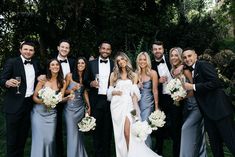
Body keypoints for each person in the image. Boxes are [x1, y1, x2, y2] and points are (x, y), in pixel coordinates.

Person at [183, 48, 235, 157]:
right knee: (215, 146)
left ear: (196, 56)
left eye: (189, 56)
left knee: (231, 142)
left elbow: (215, 82)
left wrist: (193, 86)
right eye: (185, 57)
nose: (187, 59)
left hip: (220, 111)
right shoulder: (191, 70)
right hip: (208, 114)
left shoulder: (202, 65)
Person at [107, 52, 161, 157]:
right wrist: (116, 92)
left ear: (126, 60)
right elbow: (109, 92)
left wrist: (136, 112)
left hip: (128, 105)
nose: (121, 62)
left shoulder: (133, 75)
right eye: (118, 60)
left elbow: (134, 95)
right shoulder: (113, 75)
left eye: (122, 59)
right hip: (116, 106)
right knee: (119, 134)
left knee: (128, 133)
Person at [0, 41, 39, 157]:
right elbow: (2, 79)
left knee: (22, 137)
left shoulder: (35, 63)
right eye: (26, 49)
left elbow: (40, 77)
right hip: (14, 105)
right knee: (12, 139)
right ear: (20, 50)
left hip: (28, 104)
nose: (28, 52)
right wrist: (6, 82)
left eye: (31, 50)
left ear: (34, 52)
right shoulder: (12, 62)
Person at [169, 47, 207, 157]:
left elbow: (193, 88)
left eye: (176, 55)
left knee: (185, 129)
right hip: (186, 107)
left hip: (195, 104)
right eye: (172, 55)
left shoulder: (185, 70)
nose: (174, 57)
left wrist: (182, 96)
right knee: (192, 133)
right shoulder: (173, 71)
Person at [30, 59, 67, 157]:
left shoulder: (62, 82)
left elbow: (60, 98)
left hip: (52, 114)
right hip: (39, 113)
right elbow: (34, 97)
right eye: (52, 65)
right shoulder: (43, 79)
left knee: (50, 140)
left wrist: (67, 97)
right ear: (49, 67)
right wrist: (44, 101)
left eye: (57, 65)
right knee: (39, 139)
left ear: (59, 67)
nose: (55, 66)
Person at [151, 41, 182, 157]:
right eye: (155, 49)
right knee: (159, 126)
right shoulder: (151, 65)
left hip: (176, 98)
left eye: (159, 48)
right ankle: (158, 152)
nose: (157, 51)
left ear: (163, 49)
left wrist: (182, 65)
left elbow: (183, 62)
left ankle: (177, 153)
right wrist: (158, 81)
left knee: (175, 127)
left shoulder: (172, 60)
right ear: (152, 50)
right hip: (161, 98)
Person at [88, 41, 114, 157]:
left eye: (108, 49)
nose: (105, 51)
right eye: (103, 48)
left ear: (110, 51)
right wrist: (90, 83)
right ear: (99, 49)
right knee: (97, 129)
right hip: (96, 99)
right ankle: (98, 154)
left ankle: (107, 153)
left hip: (110, 100)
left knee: (108, 129)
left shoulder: (114, 64)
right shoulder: (91, 64)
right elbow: (84, 80)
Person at [64, 57, 91, 157]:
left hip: (80, 108)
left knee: (79, 134)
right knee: (72, 134)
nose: (80, 64)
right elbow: (62, 92)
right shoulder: (69, 76)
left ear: (85, 65)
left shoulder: (85, 77)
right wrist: (72, 90)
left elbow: (85, 92)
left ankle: (80, 154)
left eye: (83, 63)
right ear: (76, 65)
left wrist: (89, 106)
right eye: (78, 63)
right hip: (70, 108)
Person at [55, 39, 75, 157]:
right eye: (62, 47)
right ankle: (59, 153)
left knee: (71, 126)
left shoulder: (73, 62)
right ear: (58, 48)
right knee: (57, 128)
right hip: (55, 98)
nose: (64, 49)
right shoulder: (51, 61)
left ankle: (72, 152)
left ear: (69, 50)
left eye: (67, 48)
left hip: (71, 97)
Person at [136, 52, 159, 148]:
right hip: (136, 104)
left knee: (145, 128)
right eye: (140, 59)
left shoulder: (153, 73)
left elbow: (155, 90)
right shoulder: (135, 73)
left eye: (144, 59)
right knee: (137, 128)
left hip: (148, 104)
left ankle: (148, 150)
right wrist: (137, 85)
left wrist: (157, 107)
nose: (142, 61)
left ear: (147, 61)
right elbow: (131, 90)